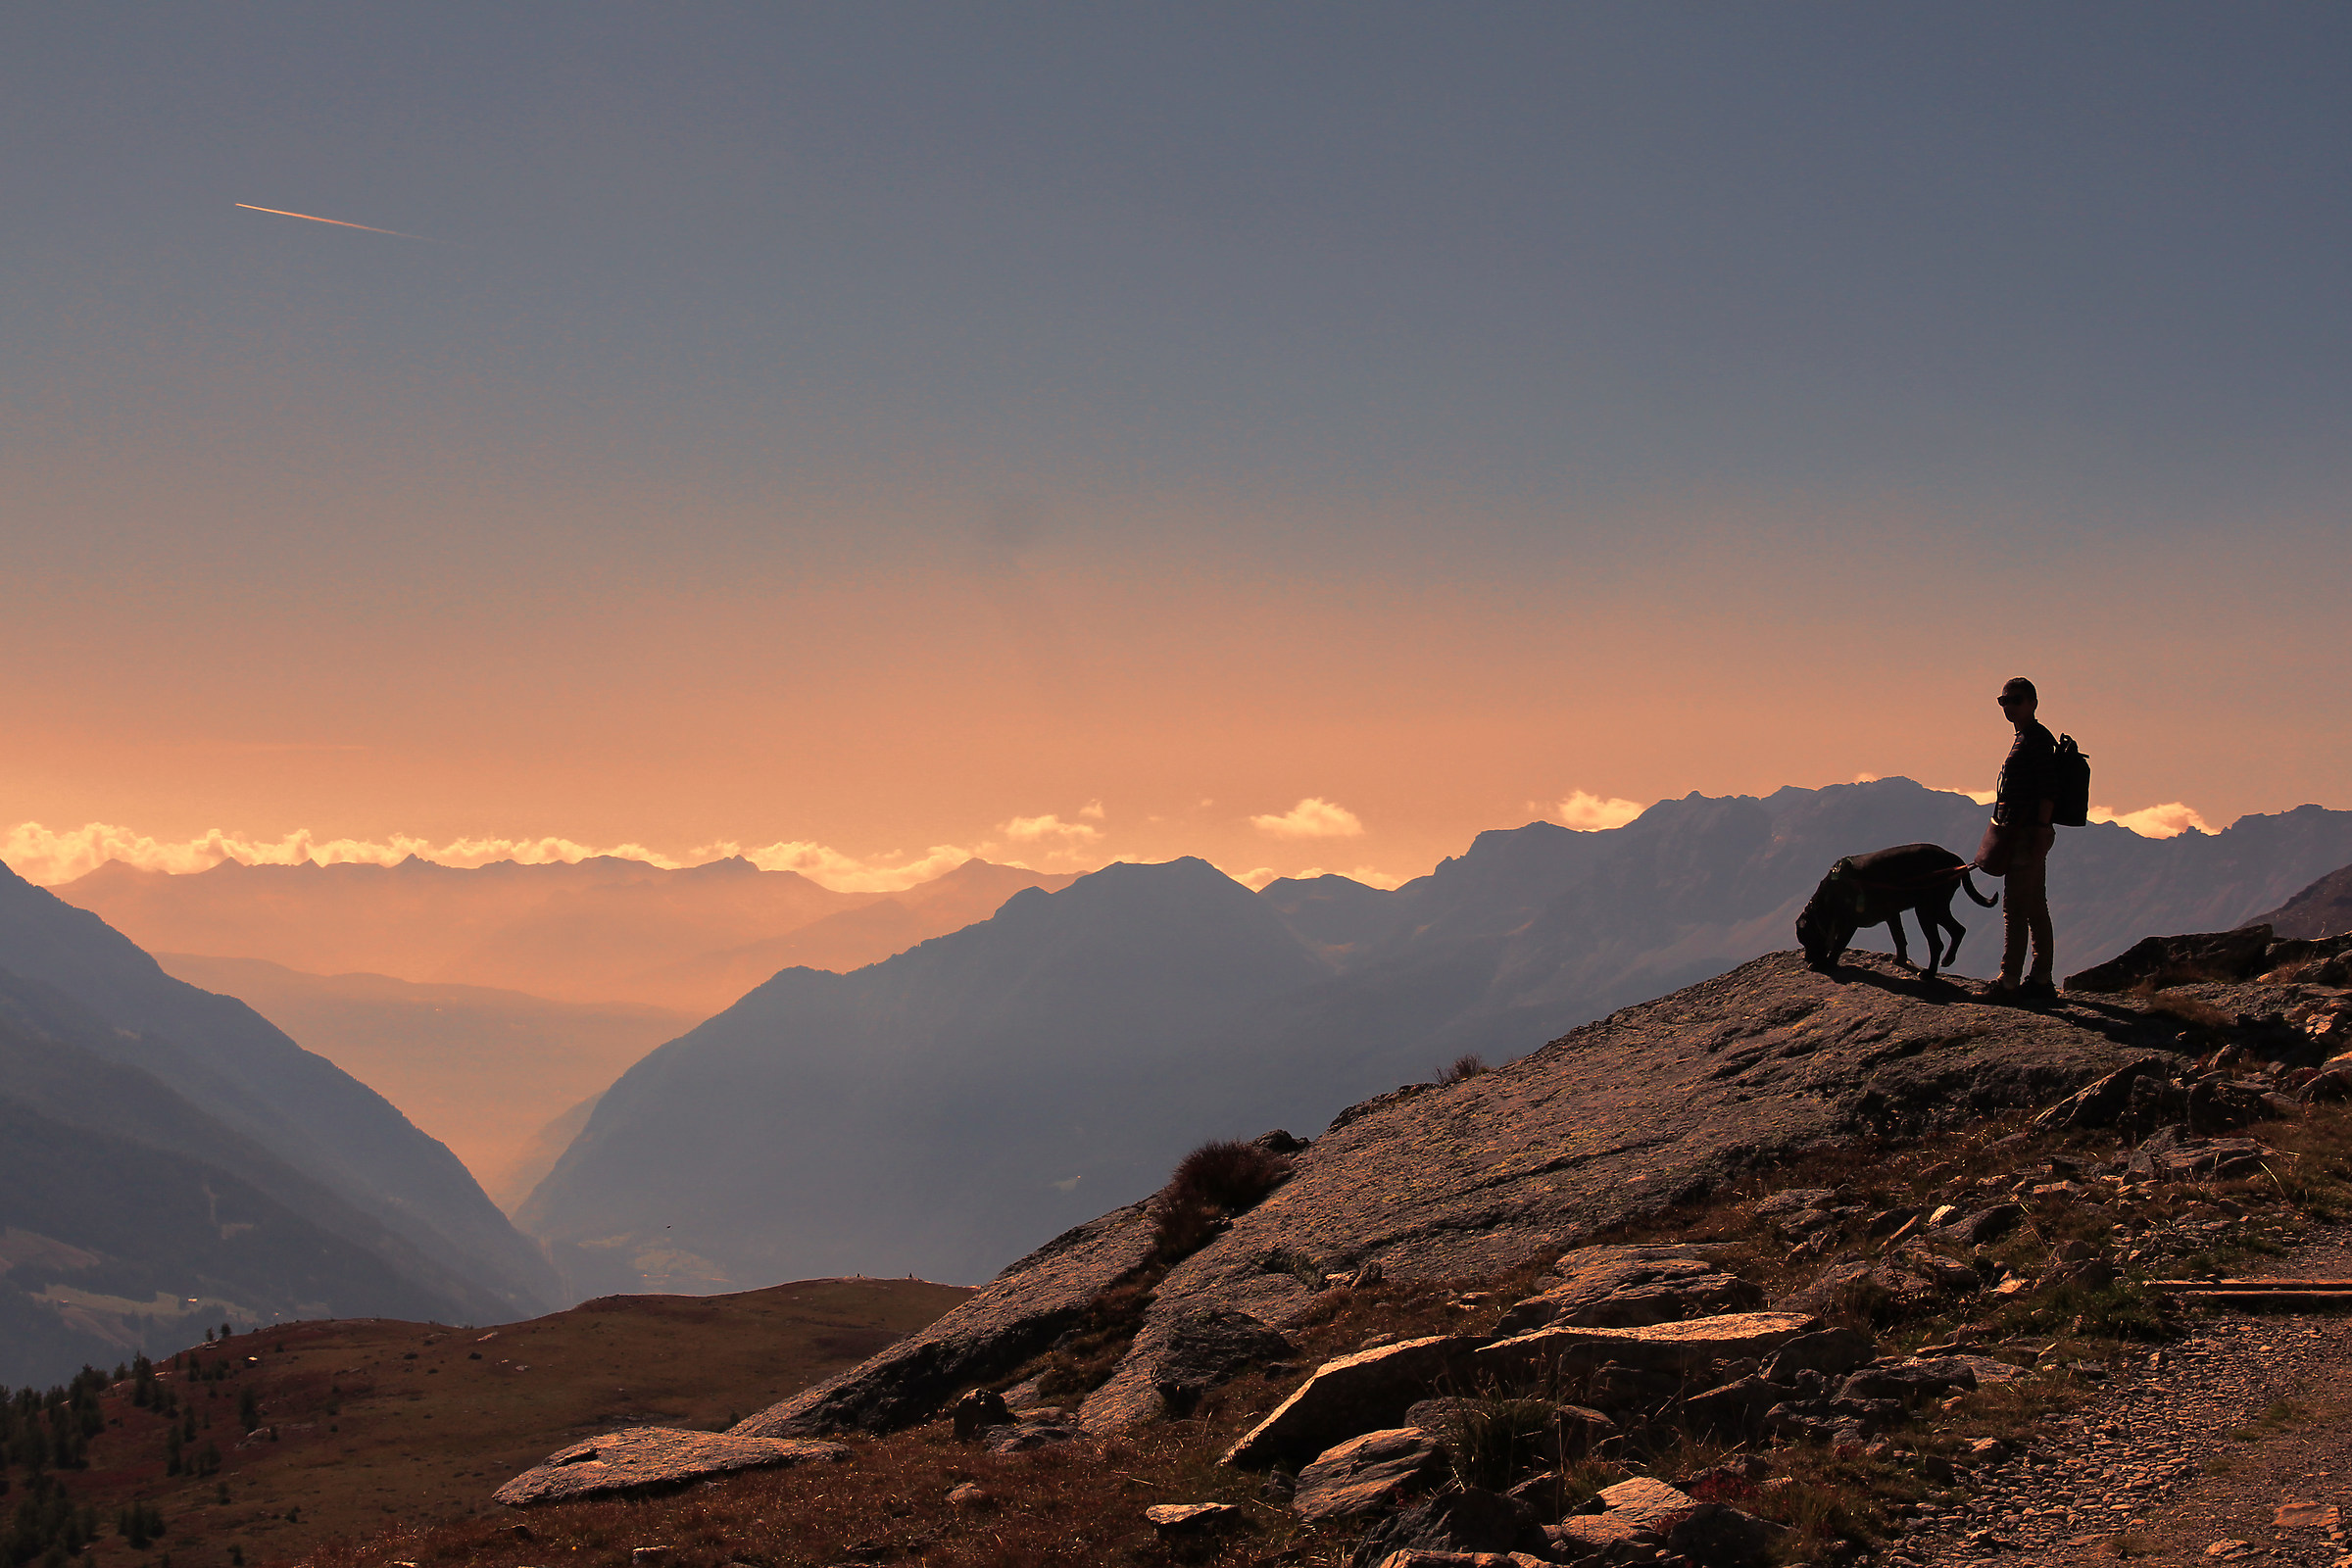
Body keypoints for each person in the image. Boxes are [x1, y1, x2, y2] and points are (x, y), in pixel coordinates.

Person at [1989, 676, 2057, 997]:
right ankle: (2041, 979)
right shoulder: (2027, 737)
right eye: (2004, 701)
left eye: (2016, 700)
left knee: (2016, 907)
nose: (2009, 706)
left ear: (2033, 702)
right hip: (2026, 832)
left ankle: (2009, 981)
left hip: (2028, 834)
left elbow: (2047, 790)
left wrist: (2041, 831)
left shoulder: (2036, 739)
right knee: (2033, 905)